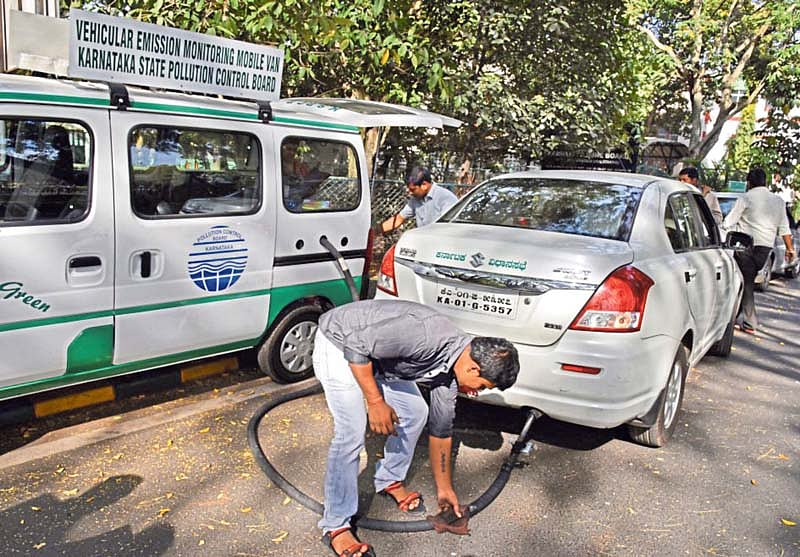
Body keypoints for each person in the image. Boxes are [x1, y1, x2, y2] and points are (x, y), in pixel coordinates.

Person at [313, 300, 520, 557]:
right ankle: (335, 525)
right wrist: (375, 402)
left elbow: (441, 433)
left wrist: (444, 490)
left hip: (378, 358)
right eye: (482, 386)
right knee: (351, 433)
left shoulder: (450, 374)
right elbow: (356, 345)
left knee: (415, 412)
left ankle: (388, 478)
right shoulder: (425, 336)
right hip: (340, 342)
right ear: (473, 368)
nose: (476, 393)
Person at [722, 167, 795, 334]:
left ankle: (750, 322)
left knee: (746, 281)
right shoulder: (778, 201)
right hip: (765, 249)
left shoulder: (746, 198)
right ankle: (736, 316)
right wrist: (790, 249)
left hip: (744, 245)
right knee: (746, 279)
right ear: (765, 182)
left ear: (749, 183)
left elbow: (728, 222)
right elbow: (784, 229)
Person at [377, 166, 458, 233]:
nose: (410, 193)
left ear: (424, 185)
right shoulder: (415, 199)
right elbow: (398, 219)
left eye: (412, 190)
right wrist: (375, 231)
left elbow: (448, 228)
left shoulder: (446, 198)